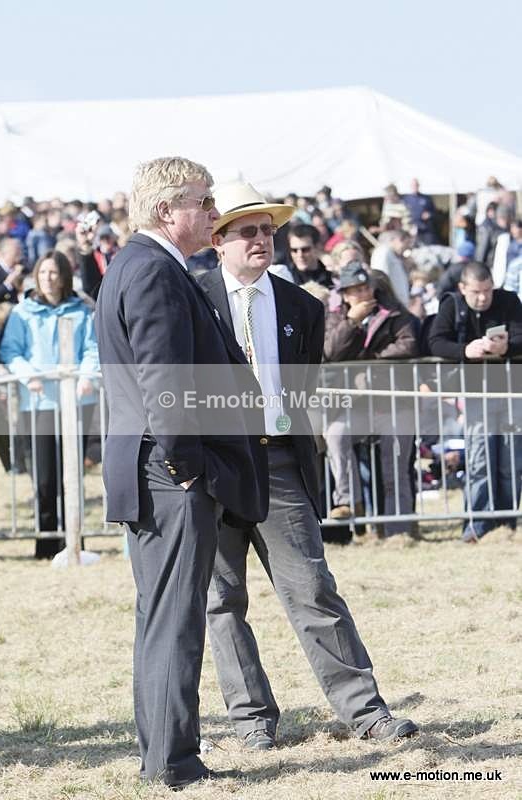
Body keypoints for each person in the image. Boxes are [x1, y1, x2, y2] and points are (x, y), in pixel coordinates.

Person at [201, 180, 418, 753]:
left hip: (277, 463)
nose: (261, 240)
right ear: (217, 241)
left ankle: (366, 712)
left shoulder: (302, 306)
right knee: (221, 601)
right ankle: (250, 721)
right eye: (248, 231)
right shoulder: (192, 298)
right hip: (213, 469)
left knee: (313, 590)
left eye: (267, 231)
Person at [94, 157, 268, 789]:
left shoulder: (144, 267)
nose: (215, 210)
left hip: (156, 468)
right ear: (167, 209)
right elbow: (163, 379)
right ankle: (173, 760)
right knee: (175, 619)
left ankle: (163, 755)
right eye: (205, 199)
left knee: (163, 616)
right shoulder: (151, 271)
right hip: (168, 473)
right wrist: (187, 467)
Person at [0, 250, 99, 558]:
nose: (48, 278)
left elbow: (92, 347)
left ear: (65, 276)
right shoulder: (23, 312)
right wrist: (29, 377)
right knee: (44, 475)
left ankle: (75, 540)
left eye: (53, 273)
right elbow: (11, 351)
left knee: (72, 475)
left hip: (78, 402)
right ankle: (45, 544)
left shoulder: (81, 310)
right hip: (39, 404)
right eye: (43, 273)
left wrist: (86, 377)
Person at [428, 262, 522, 542]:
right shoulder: (451, 306)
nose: (482, 297)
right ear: (462, 289)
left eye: (487, 290)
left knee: (510, 461)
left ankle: (506, 522)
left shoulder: (508, 300)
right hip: (475, 395)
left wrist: (507, 348)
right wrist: (465, 350)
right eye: (476, 292)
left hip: (511, 392)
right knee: (480, 460)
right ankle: (477, 523)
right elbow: (434, 342)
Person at [324, 262, 418, 532]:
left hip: (395, 402)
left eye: (366, 287)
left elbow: (408, 344)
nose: (363, 294)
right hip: (357, 404)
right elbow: (330, 351)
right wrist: (351, 322)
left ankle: (397, 529)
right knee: (336, 434)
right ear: (344, 294)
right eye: (356, 290)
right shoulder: (335, 316)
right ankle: (348, 501)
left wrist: (369, 361)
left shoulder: (393, 312)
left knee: (394, 468)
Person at [370, 230, 412, 306]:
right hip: (392, 304)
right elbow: (380, 278)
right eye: (406, 244)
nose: (407, 248)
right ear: (399, 240)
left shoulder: (394, 255)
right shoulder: (383, 252)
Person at [287, 223, 332, 288]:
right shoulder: (285, 278)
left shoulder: (331, 278)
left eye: (305, 249)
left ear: (317, 247)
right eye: (294, 250)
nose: (300, 255)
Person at [0, 237, 25, 307]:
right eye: (16, 251)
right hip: (1, 314)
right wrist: (7, 284)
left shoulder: (24, 268)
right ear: (4, 253)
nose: (20, 253)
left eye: (19, 250)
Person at [403, 178, 437, 244]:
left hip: (426, 229)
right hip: (412, 229)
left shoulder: (426, 198)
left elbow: (434, 212)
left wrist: (429, 214)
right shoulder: (406, 199)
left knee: (428, 248)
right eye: (413, 185)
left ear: (418, 186)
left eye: (416, 185)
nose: (414, 187)